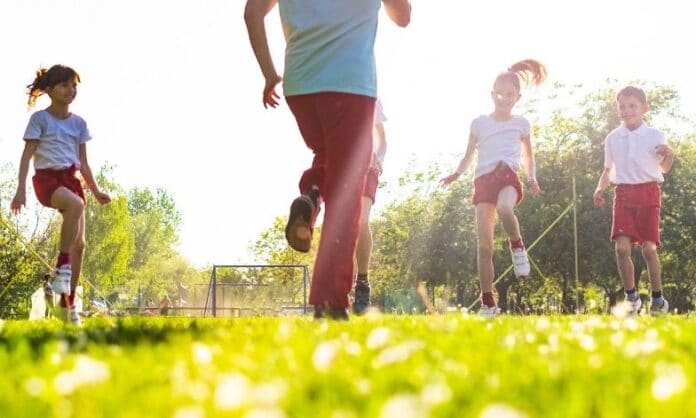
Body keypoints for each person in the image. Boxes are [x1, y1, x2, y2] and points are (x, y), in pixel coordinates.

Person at [244, 0, 411, 320]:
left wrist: (269, 74)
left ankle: (310, 197)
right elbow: (402, 17)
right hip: (350, 85)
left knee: (328, 158)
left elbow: (252, 13)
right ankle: (330, 301)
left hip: (300, 84)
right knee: (348, 191)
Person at [439, 59, 546, 317]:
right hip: (483, 181)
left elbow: (529, 156)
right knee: (484, 246)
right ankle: (488, 302)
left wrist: (531, 177)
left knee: (506, 208)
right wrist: (456, 172)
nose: (504, 98)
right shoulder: (479, 123)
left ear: (517, 97)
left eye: (509, 94)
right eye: (499, 93)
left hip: (507, 175)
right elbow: (467, 156)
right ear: (492, 94)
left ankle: (517, 246)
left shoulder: (522, 123)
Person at [11, 64, 111, 325]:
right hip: (47, 181)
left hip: (71, 180)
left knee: (80, 245)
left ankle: (68, 306)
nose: (71, 89)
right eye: (65, 85)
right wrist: (20, 191)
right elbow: (26, 156)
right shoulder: (40, 120)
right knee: (75, 205)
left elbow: (84, 164)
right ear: (49, 90)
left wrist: (96, 190)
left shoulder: (79, 124)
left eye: (74, 85)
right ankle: (61, 269)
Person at [593, 86, 674, 316]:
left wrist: (670, 156)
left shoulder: (655, 135)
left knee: (649, 249)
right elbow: (608, 170)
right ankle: (632, 297)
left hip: (649, 193)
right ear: (617, 109)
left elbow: (664, 169)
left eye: (632, 106)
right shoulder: (613, 138)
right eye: (622, 106)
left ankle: (658, 300)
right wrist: (600, 188)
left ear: (644, 109)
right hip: (624, 195)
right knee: (621, 249)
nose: (627, 111)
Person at [353, 99, 388, 315]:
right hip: (344, 165)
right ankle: (339, 286)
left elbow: (383, 141)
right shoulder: (333, 87)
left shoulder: (371, 97)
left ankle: (362, 284)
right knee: (344, 225)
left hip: (368, 166)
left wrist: (379, 160)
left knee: (362, 220)